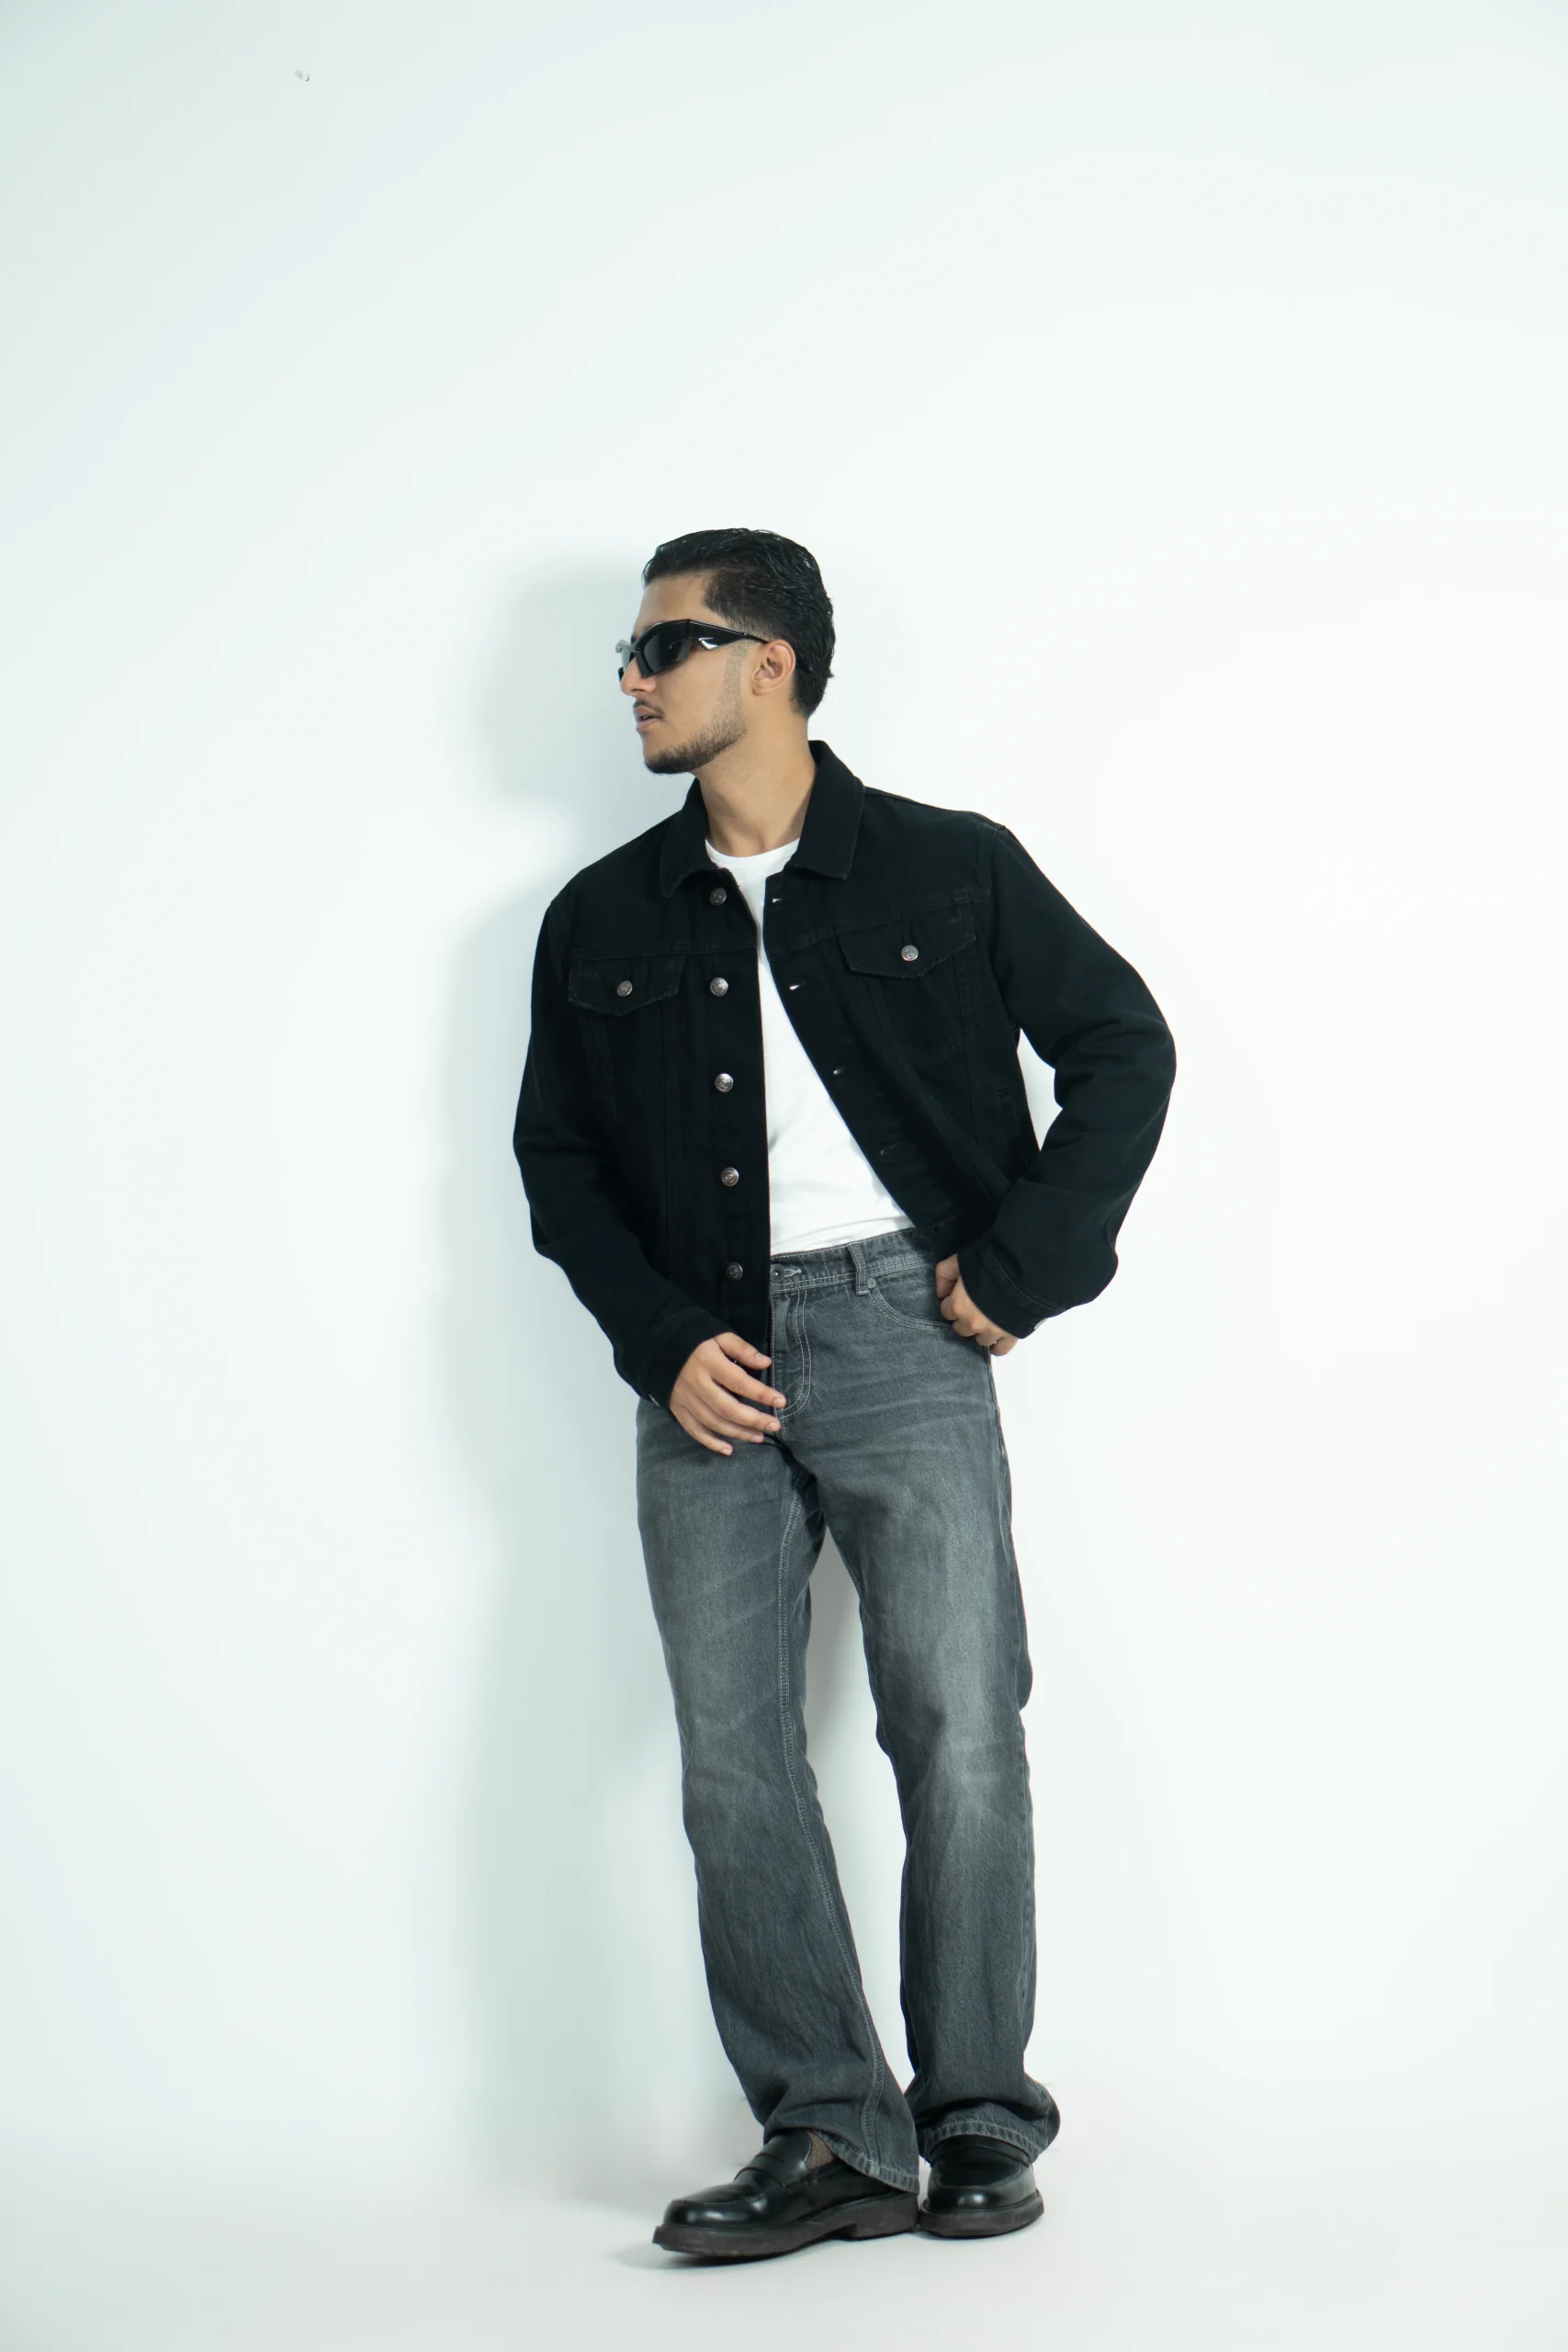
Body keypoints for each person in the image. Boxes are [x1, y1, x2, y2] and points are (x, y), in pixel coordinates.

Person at [513, 527, 1176, 2260]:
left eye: (665, 645)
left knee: (957, 1722)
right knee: (731, 1758)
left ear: (771, 665)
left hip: (906, 1334)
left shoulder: (950, 867)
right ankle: (830, 2132)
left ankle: (973, 2112)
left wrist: (1023, 1266)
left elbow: (1122, 1044)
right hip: (705, 1365)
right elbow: (558, 1163)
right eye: (629, 653)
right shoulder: (599, 915)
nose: (633, 679)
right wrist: (659, 1335)